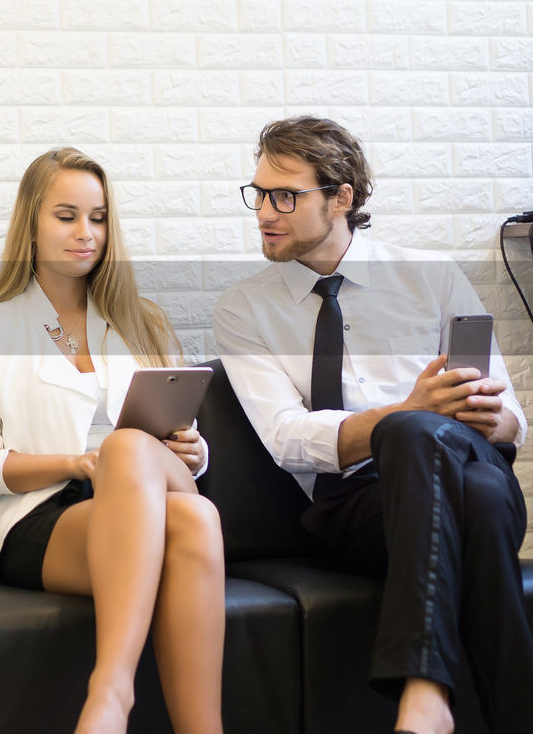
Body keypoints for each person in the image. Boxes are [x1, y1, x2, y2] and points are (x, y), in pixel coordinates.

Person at [213, 115, 532, 734]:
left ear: (341, 199)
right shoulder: (244, 308)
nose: (264, 212)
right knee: (472, 486)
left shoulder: (431, 277)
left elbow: (513, 421)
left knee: (471, 472)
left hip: (467, 463)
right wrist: (405, 414)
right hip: (359, 507)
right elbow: (285, 439)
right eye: (259, 194)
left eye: (286, 196)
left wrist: (495, 417)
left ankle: (424, 693)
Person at [0, 148, 224, 734]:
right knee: (195, 522)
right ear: (32, 224)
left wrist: (194, 453)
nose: (85, 233)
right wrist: (77, 463)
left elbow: (177, 438)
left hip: (145, 489)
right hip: (44, 518)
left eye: (97, 218)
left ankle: (110, 695)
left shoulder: (139, 321)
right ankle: (127, 699)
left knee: (136, 455)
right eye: (66, 215)